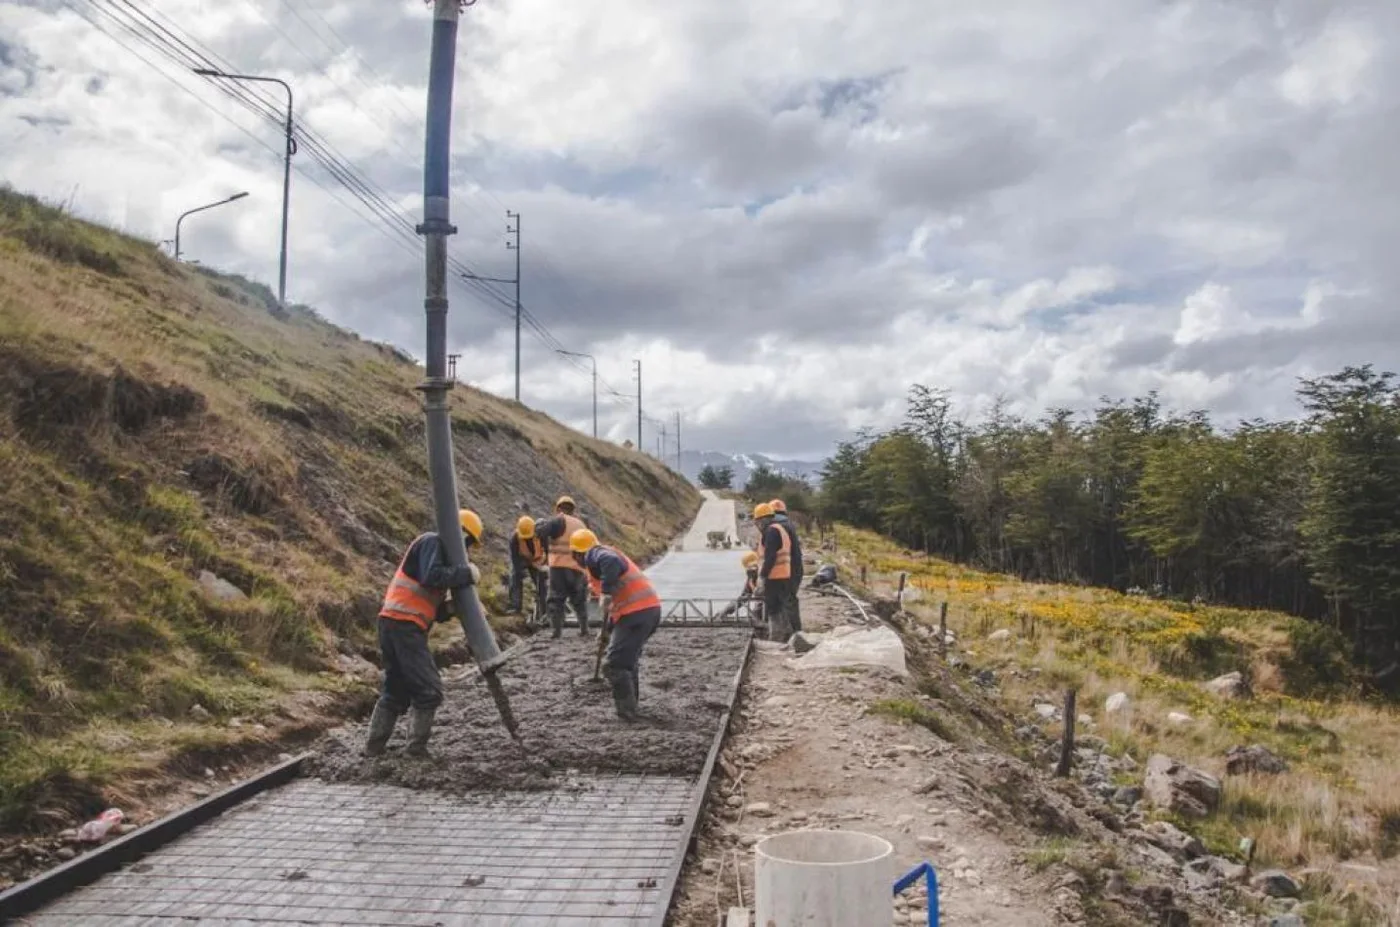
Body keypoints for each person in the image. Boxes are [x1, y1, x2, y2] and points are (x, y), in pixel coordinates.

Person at [364, 509, 483, 757]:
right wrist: (465, 574)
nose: (467, 550)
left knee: (395, 690)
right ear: (459, 533)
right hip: (403, 626)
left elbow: (432, 605)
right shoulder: (432, 542)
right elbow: (432, 576)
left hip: (394, 624)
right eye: (468, 542)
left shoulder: (435, 551)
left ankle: (373, 748)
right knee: (429, 690)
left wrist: (451, 608)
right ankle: (415, 750)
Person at [571, 528, 661, 721]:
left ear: (577, 553)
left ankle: (627, 713)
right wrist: (608, 631)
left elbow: (610, 562)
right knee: (627, 662)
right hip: (645, 611)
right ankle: (632, 707)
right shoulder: (596, 562)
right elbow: (617, 605)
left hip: (637, 613)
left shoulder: (595, 554)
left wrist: (605, 592)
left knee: (615, 665)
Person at [534, 495, 592, 638]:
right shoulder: (581, 524)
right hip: (578, 568)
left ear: (559, 508)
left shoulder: (558, 520)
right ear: (573, 509)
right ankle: (584, 629)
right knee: (579, 599)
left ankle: (556, 631)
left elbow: (540, 532)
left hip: (559, 566)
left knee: (556, 599)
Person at [753, 501, 794, 641]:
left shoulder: (771, 532)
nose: (757, 525)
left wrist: (763, 576)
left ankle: (776, 638)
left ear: (762, 520)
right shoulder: (779, 529)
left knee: (773, 609)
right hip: (783, 575)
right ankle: (788, 634)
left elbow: (770, 557)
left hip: (774, 576)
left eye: (757, 522)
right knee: (781, 607)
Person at [769, 499, 804, 632]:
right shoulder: (789, 524)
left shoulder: (774, 528)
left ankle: (794, 634)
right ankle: (794, 632)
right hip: (796, 569)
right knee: (789, 600)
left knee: (786, 601)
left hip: (785, 570)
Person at [508, 515, 547, 624]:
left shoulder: (541, 535)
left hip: (538, 560)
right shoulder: (514, 539)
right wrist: (522, 573)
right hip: (522, 559)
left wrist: (544, 564)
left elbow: (547, 550)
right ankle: (515, 606)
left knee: (542, 583)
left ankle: (544, 610)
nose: (526, 538)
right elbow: (515, 560)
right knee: (515, 577)